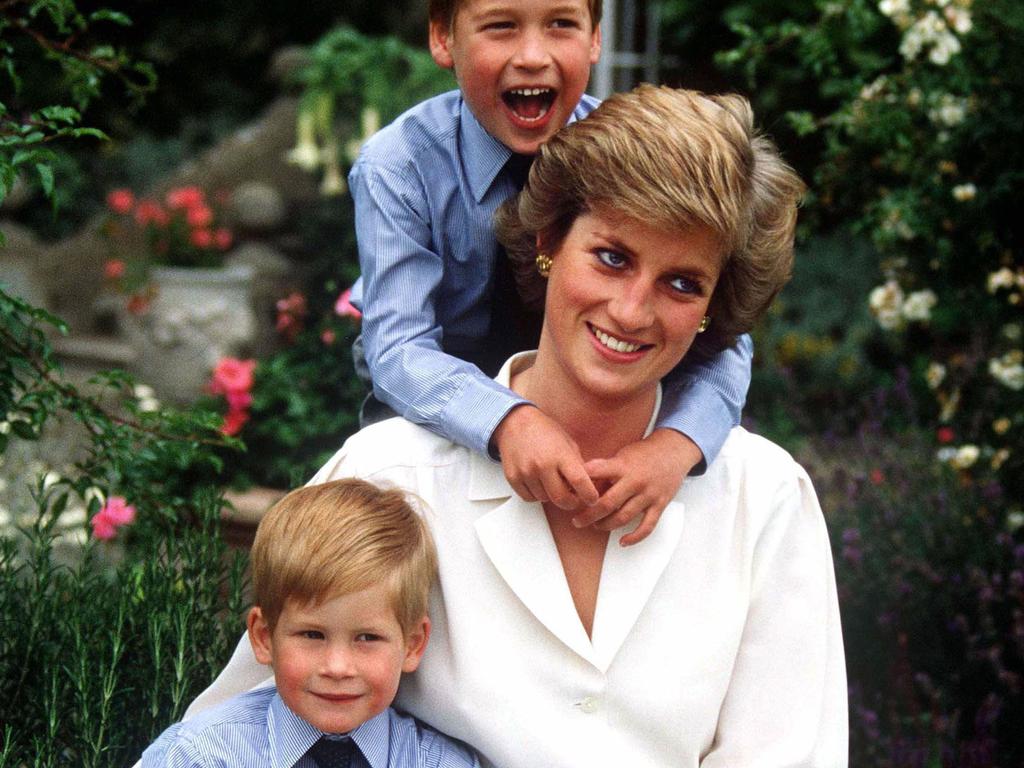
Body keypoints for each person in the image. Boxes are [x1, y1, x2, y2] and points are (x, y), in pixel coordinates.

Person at [181, 85, 847, 766]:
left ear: (715, 306)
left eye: (682, 284)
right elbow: (235, 740)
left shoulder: (762, 500)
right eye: (612, 257)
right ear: (550, 243)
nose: (632, 309)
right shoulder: (388, 477)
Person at [349, 0, 754, 545]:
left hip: (600, 413)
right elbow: (398, 349)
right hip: (436, 414)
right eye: (501, 27)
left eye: (561, 24)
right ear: (444, 40)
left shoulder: (629, 155)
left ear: (594, 39)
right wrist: (508, 418)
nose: (534, 57)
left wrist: (677, 444)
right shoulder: (398, 166)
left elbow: (727, 333)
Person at [140, 479, 479, 768]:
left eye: (367, 637)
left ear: (413, 644)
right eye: (313, 634)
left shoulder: (437, 763)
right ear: (263, 637)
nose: (337, 667)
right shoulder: (201, 756)